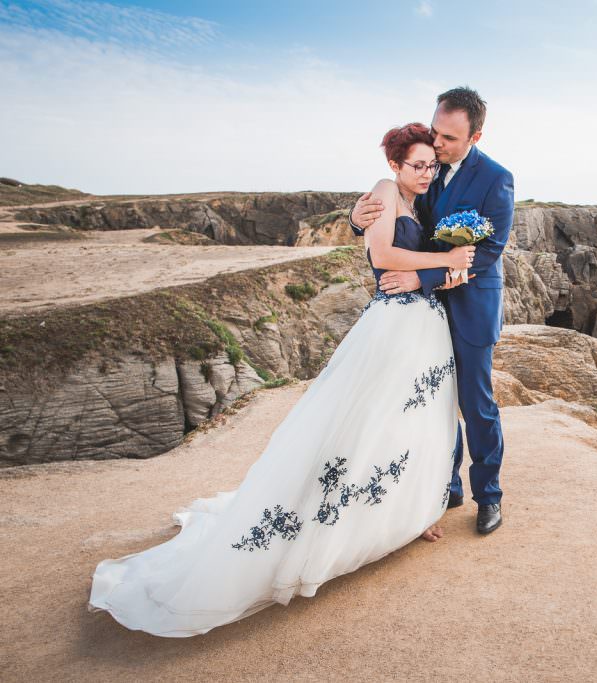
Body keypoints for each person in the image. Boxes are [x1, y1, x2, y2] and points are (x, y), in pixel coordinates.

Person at [87, 123, 474, 637]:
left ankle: (408, 513)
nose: (426, 173)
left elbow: (412, 250)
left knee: (413, 423)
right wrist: (446, 258)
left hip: (425, 328)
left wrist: (438, 267)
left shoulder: (424, 200)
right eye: (416, 165)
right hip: (395, 325)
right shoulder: (384, 193)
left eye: (430, 164)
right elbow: (382, 256)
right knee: (366, 422)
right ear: (394, 167)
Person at [349, 86, 514, 535]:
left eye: (450, 139)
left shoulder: (495, 178)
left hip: (470, 306)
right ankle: (445, 487)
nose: (438, 145)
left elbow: (487, 252)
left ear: (476, 137)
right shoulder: (426, 164)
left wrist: (420, 278)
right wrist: (357, 218)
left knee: (475, 404)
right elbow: (398, 212)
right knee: (433, 403)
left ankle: (488, 497)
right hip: (423, 313)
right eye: (436, 132)